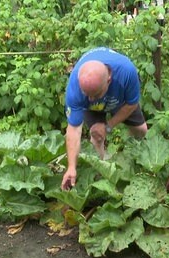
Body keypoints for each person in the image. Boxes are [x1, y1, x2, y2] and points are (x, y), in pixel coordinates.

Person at [61, 47, 148, 190]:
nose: (90, 98)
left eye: (95, 95)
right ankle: (100, 178)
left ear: (109, 79)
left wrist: (108, 126)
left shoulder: (126, 73)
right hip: (92, 104)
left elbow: (132, 104)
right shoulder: (76, 88)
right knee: (97, 136)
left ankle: (133, 164)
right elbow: (73, 130)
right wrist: (71, 168)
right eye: (87, 94)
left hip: (119, 98)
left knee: (141, 131)